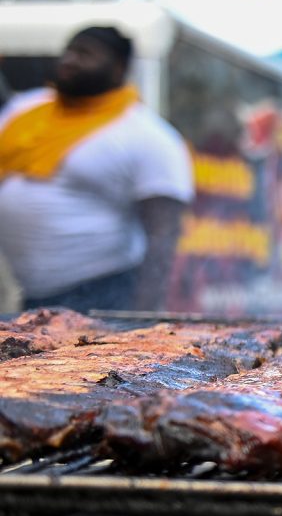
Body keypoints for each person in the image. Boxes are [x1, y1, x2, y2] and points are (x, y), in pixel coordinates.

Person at [0, 26, 193, 312]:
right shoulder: (25, 110)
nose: (70, 60)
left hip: (102, 292)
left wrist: (143, 317)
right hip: (26, 293)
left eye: (85, 54)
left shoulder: (147, 135)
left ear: (118, 68)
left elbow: (163, 235)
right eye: (69, 51)